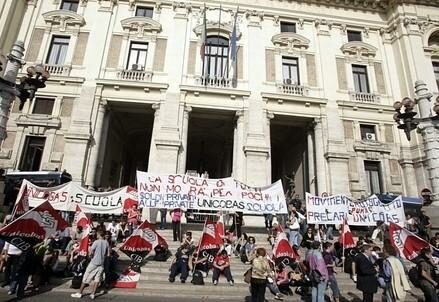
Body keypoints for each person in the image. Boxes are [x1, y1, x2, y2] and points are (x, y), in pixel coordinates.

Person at [71, 230, 110, 299]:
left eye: (97, 234)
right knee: (97, 278)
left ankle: (80, 293)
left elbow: (90, 251)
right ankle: (93, 294)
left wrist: (90, 256)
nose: (96, 236)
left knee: (86, 277)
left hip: (94, 262)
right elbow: (108, 254)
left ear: (99, 234)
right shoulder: (106, 242)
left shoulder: (96, 242)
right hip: (101, 263)